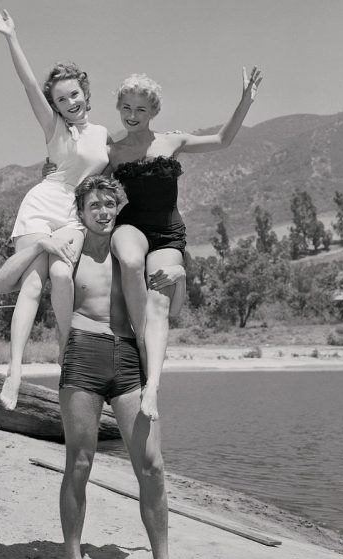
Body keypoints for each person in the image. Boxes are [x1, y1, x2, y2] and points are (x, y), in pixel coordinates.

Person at [0, 175, 196, 559]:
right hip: (82, 356)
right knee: (79, 465)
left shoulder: (131, 255)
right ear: (81, 213)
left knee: (153, 468)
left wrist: (181, 275)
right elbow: (1, 284)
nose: (103, 212)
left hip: (127, 359)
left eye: (109, 205)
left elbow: (172, 310)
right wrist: (40, 244)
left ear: (117, 207)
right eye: (94, 206)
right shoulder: (68, 252)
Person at [108, 68, 262, 422]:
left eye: (141, 110)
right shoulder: (112, 153)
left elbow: (223, 140)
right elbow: (84, 180)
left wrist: (244, 102)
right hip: (131, 226)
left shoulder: (172, 142)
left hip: (167, 235)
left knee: (161, 307)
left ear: (154, 112)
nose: (132, 115)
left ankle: (153, 388)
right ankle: (141, 340)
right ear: (119, 107)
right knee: (131, 261)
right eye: (126, 108)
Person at [0, 6, 110, 410]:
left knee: (60, 274)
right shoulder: (53, 128)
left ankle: (64, 352)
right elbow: (26, 84)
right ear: (54, 105)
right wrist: (11, 37)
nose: (69, 101)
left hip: (72, 216)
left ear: (85, 93)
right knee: (33, 284)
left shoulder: (104, 134)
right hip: (40, 207)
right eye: (60, 98)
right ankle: (16, 371)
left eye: (74, 94)